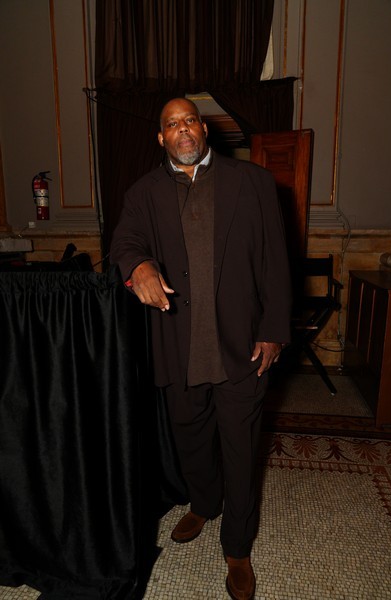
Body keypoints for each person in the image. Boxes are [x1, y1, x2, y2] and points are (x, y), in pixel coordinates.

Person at [110, 98, 291, 600]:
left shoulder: (253, 183)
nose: (183, 129)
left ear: (204, 129)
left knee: (240, 449)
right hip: (178, 346)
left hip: (243, 347)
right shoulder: (142, 193)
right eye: (172, 124)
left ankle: (238, 547)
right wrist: (138, 267)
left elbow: (276, 261)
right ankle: (204, 503)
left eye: (189, 120)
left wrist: (274, 331)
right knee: (190, 440)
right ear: (161, 138)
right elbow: (123, 243)